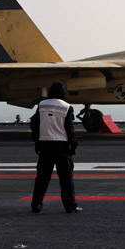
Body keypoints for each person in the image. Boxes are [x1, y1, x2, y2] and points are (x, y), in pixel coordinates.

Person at [29, 82, 81, 213]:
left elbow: (34, 125)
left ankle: (36, 205)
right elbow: (70, 129)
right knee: (66, 179)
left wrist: (37, 142)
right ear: (63, 92)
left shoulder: (41, 105)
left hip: (44, 144)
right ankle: (70, 206)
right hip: (61, 146)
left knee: (42, 178)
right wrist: (73, 145)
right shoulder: (67, 107)